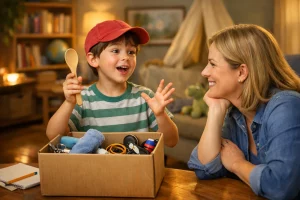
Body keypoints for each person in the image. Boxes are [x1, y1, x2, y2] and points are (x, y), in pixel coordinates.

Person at [187, 24, 300, 200]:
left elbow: (281, 187)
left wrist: (237, 164)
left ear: (241, 72)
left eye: (212, 64)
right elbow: (203, 169)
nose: (204, 72)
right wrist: (216, 112)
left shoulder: (285, 107)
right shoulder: (236, 114)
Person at [46, 20, 178, 148]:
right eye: (115, 51)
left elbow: (171, 141)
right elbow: (53, 136)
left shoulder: (145, 97)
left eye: (131, 52)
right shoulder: (82, 99)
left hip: (135, 169)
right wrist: (68, 103)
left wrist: (161, 115)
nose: (126, 57)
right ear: (93, 59)